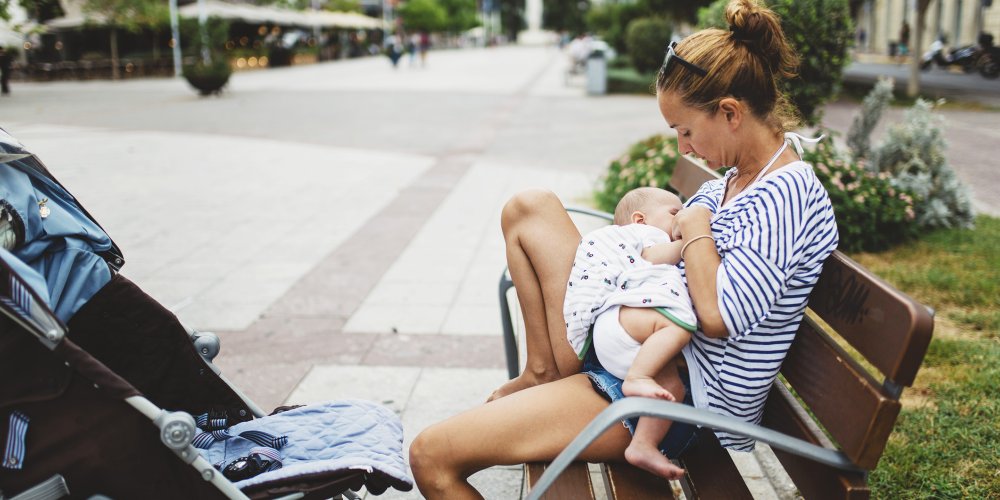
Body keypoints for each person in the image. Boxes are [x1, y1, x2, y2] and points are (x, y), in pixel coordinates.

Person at [408, 0, 839, 497]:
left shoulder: (786, 194)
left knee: (431, 456)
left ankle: (554, 375)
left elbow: (719, 315)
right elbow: (669, 246)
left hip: (671, 395)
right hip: (633, 338)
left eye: (686, 131)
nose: (683, 148)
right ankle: (543, 371)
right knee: (530, 207)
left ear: (729, 113)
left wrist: (696, 224)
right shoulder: (732, 181)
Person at [561, 187, 696, 478]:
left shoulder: (644, 231)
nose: (680, 218)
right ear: (639, 219)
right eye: (674, 213)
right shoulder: (644, 235)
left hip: (627, 345)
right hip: (624, 324)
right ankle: (637, 377)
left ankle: (643, 444)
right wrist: (691, 240)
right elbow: (655, 256)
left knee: (673, 389)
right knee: (676, 327)